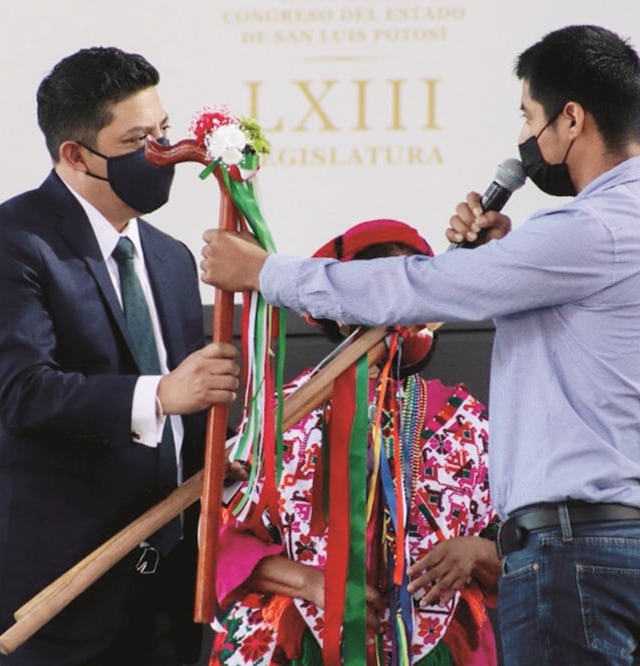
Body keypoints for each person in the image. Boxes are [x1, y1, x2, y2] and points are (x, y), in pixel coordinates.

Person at [201, 24, 640, 664]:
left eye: (529, 118)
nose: (524, 140)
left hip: (571, 557)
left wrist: (265, 274)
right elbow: (591, 333)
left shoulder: (587, 228)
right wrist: (508, 255)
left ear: (572, 120)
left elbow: (419, 286)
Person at [0, 47, 240, 665]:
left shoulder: (172, 257)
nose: (162, 154)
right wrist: (160, 395)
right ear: (74, 154)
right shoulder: (5, 241)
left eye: (163, 132)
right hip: (52, 594)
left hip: (168, 599)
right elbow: (18, 392)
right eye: (137, 140)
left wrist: (217, 453)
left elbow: (196, 401)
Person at [210, 219, 500, 665]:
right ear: (338, 307)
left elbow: (533, 546)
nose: (404, 309)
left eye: (416, 289)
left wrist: (477, 553)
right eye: (382, 291)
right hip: (299, 644)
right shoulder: (282, 416)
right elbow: (222, 540)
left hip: (439, 648)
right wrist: (310, 583)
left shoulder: (469, 419)